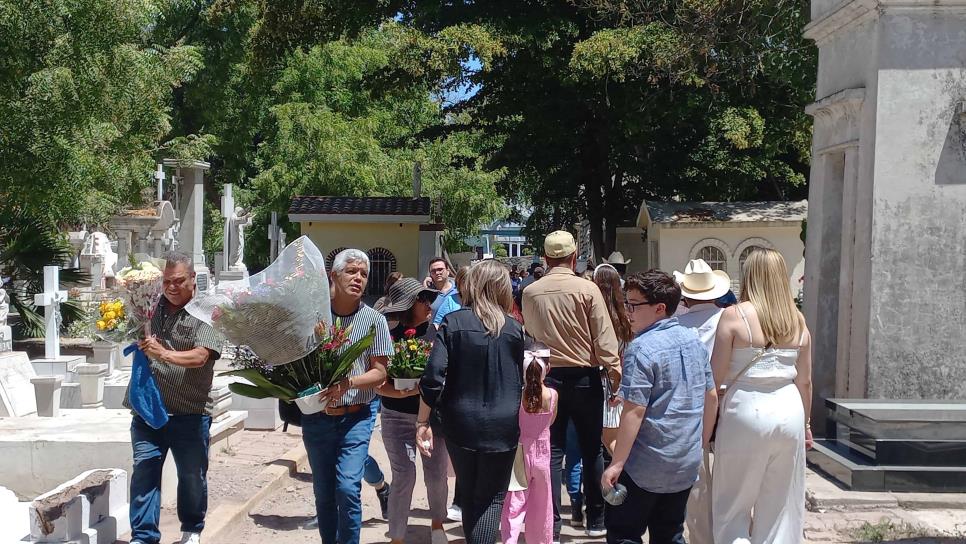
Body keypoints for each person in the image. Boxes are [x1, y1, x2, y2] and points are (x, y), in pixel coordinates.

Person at [601, 271, 717, 544]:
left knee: (624, 533)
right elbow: (711, 396)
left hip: (646, 463)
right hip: (684, 461)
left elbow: (635, 411)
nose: (628, 312)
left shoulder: (641, 348)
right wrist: (698, 444)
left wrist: (616, 463)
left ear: (659, 308)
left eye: (634, 305)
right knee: (670, 533)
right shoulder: (694, 341)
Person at [521, 231, 621, 540]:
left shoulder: (531, 292)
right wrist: (614, 375)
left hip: (546, 377)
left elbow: (530, 335)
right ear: (574, 256)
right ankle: (596, 519)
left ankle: (550, 521)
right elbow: (605, 340)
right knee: (592, 448)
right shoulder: (587, 289)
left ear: (546, 257)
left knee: (550, 451)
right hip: (584, 377)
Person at [417, 260, 525, 544]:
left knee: (470, 491)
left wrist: (422, 421)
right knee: (491, 498)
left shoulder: (453, 323)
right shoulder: (515, 329)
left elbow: (432, 378)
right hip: (504, 425)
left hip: (460, 423)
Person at [710, 248, 813, 544]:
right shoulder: (798, 321)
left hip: (746, 409)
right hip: (789, 409)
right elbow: (805, 382)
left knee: (732, 505)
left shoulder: (734, 315)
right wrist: (806, 424)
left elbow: (714, 382)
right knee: (780, 506)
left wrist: (705, 427)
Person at [127, 251, 224, 544]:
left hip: (190, 413)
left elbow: (200, 357)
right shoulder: (149, 306)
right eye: (166, 281)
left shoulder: (209, 311)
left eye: (179, 281)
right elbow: (130, 333)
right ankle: (143, 537)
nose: (171, 287)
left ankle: (191, 529)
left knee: (192, 477)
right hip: (148, 411)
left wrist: (163, 353)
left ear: (193, 279)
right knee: (145, 470)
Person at [304, 249, 394, 544]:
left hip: (357, 416)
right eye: (351, 271)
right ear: (334, 275)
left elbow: (380, 372)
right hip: (318, 419)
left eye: (364, 274)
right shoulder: (314, 317)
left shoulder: (374, 321)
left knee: (347, 488)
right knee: (324, 492)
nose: (358, 278)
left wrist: (349, 382)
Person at [375, 278, 449, 544]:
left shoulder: (438, 334)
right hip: (395, 415)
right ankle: (396, 537)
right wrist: (404, 391)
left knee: (436, 474)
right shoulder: (388, 336)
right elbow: (377, 382)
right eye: (423, 299)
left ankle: (438, 523)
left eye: (430, 299)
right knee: (404, 475)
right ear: (408, 305)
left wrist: (426, 391)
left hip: (431, 417)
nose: (430, 304)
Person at [673, 259, 732, 544]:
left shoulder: (676, 325)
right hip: (727, 400)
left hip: (689, 406)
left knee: (697, 482)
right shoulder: (729, 319)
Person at [502, 347, 556, 544]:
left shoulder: (517, 395)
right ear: (547, 368)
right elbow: (550, 421)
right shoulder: (552, 395)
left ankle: (510, 540)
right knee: (542, 506)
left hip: (519, 453)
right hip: (543, 455)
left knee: (514, 503)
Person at [592, 263, 633, 455]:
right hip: (624, 379)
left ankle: (623, 476)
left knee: (610, 440)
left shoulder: (594, 314)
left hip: (605, 382)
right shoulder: (626, 315)